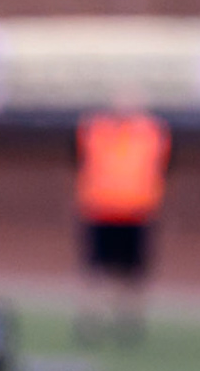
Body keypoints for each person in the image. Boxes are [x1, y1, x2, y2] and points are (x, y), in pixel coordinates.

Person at [73, 92, 170, 343]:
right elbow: (78, 160)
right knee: (97, 271)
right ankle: (91, 322)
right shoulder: (94, 129)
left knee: (132, 272)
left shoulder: (152, 132)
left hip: (136, 211)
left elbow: (164, 167)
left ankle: (128, 323)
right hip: (100, 209)